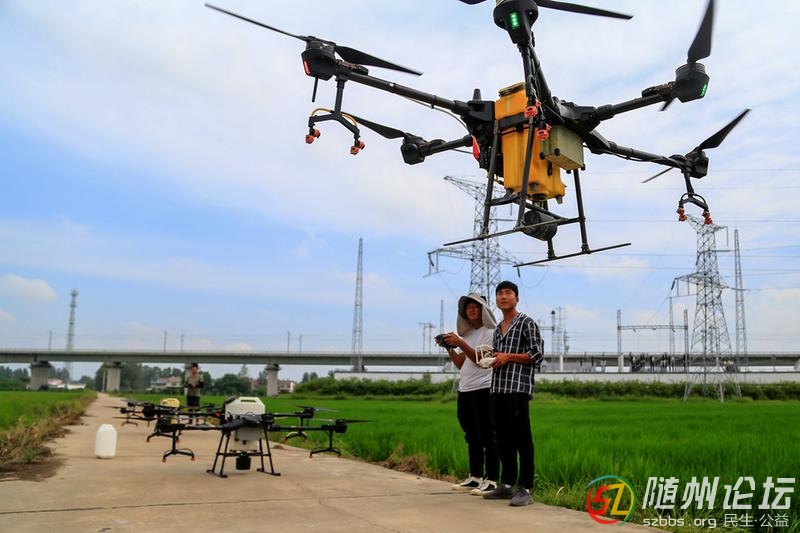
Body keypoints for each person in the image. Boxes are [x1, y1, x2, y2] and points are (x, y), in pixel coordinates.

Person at [482, 280, 543, 507]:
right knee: (503, 440)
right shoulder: (498, 329)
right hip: (498, 388)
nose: (503, 296)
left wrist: (508, 356)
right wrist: (493, 359)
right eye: (499, 293)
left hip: (517, 390)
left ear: (516, 298)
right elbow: (500, 357)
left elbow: (536, 354)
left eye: (508, 293)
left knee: (522, 440)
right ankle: (507, 484)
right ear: (496, 300)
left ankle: (525, 488)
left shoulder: (526, 323)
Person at [439, 293, 500, 496]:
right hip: (465, 389)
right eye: (468, 307)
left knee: (488, 435)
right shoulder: (468, 335)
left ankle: (491, 480)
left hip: (484, 388)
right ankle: (475, 477)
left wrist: (460, 342)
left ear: (484, 310)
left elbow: (481, 360)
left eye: (476, 306)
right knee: (471, 435)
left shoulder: (490, 332)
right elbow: (460, 363)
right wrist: (450, 348)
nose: (471, 309)